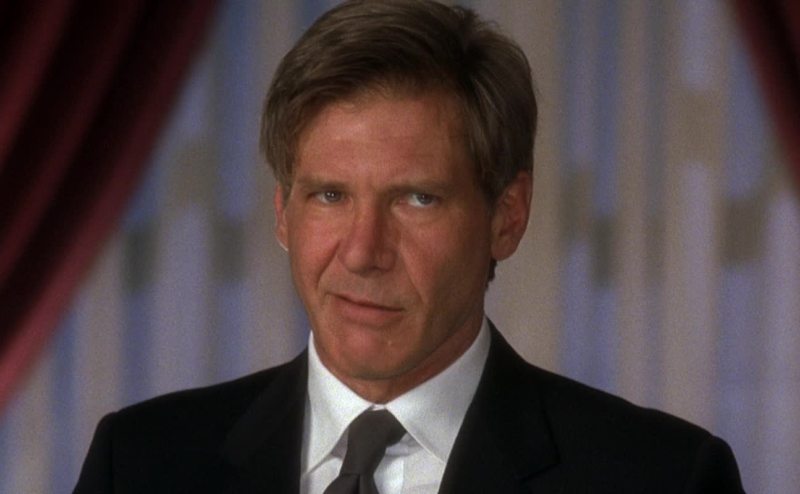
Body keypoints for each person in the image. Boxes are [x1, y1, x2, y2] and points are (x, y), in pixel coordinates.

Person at [74, 1, 745, 492]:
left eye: (417, 199)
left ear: (507, 217)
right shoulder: (138, 465)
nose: (363, 251)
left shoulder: (662, 477)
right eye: (330, 195)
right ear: (282, 214)